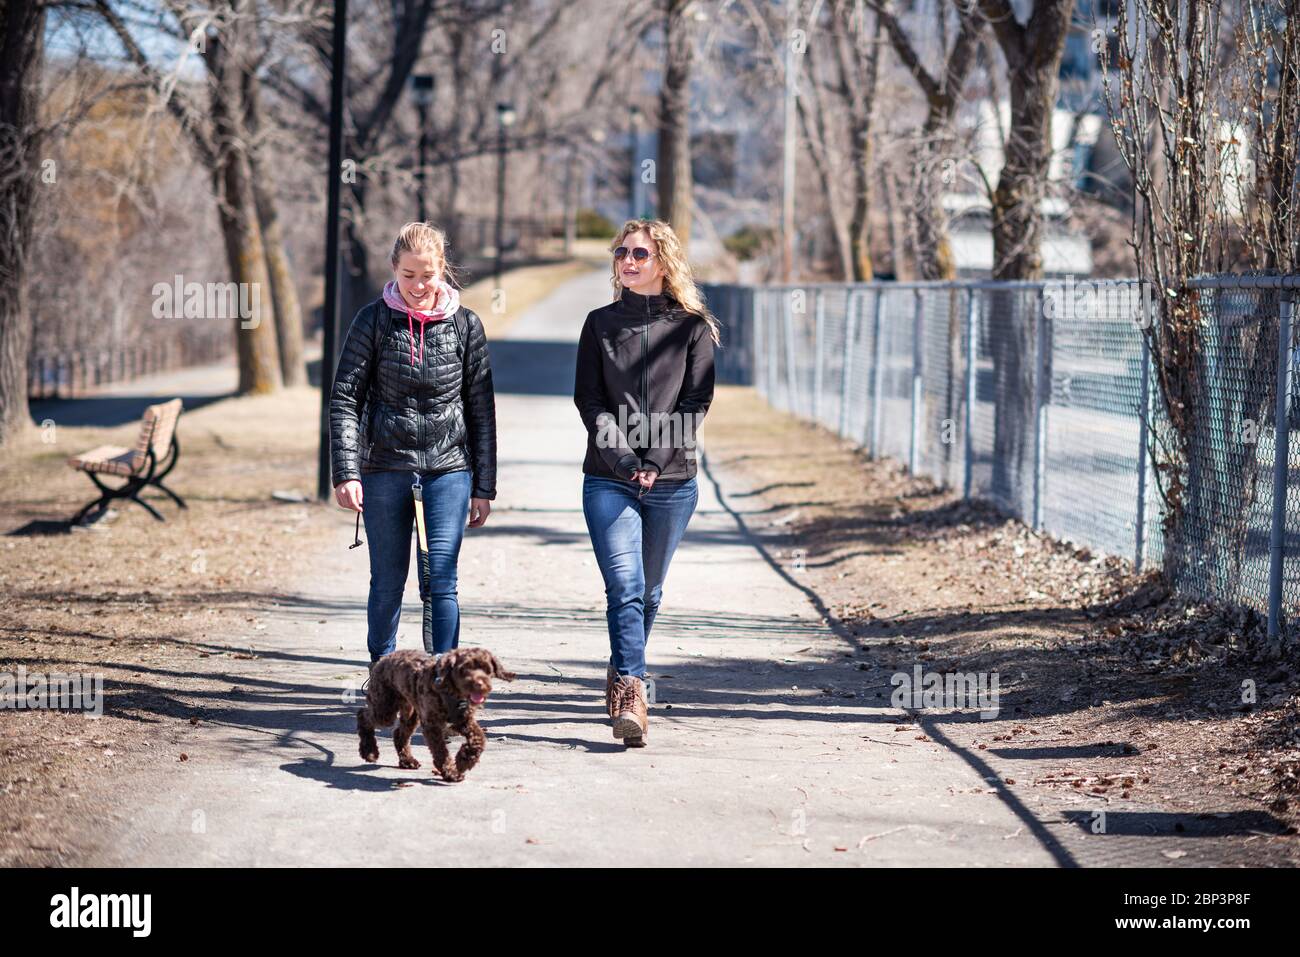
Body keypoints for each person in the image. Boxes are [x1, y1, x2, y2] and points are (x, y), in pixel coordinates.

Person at [574, 218, 719, 748]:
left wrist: (655, 461)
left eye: (638, 253)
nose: (627, 262)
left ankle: (620, 668)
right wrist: (620, 458)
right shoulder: (599, 324)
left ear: (663, 261)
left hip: (673, 480)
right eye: (620, 253)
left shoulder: (692, 328)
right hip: (607, 480)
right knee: (626, 586)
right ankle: (633, 691)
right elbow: (588, 399)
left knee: (649, 590)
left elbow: (694, 401)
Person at [330, 222, 497, 668]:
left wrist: (484, 487)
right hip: (385, 469)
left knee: (440, 580)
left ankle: (442, 678)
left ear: (443, 269)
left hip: (448, 470)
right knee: (387, 581)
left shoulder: (466, 326)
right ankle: (382, 673)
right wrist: (346, 472)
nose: (419, 286)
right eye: (409, 276)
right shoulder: (374, 320)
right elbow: (345, 398)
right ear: (393, 270)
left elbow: (481, 409)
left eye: (428, 275)